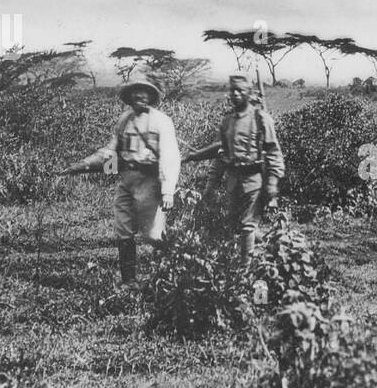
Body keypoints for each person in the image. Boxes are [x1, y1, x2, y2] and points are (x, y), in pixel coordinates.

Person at [58, 76, 180, 283]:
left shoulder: (161, 121)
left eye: (144, 92)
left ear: (151, 96)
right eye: (136, 92)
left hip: (150, 181)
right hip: (127, 180)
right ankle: (129, 282)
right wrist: (80, 167)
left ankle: (173, 269)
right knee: (123, 230)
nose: (140, 96)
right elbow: (111, 152)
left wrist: (168, 189)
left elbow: (170, 155)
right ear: (129, 96)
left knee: (152, 234)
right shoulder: (125, 120)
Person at [184, 74, 286, 258]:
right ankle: (272, 245)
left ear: (249, 93)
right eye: (233, 90)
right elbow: (220, 154)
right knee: (235, 225)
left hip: (254, 179)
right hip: (233, 180)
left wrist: (272, 183)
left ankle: (245, 272)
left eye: (241, 90)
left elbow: (273, 152)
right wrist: (211, 184)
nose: (236, 94)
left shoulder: (261, 118)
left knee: (247, 225)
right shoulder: (227, 121)